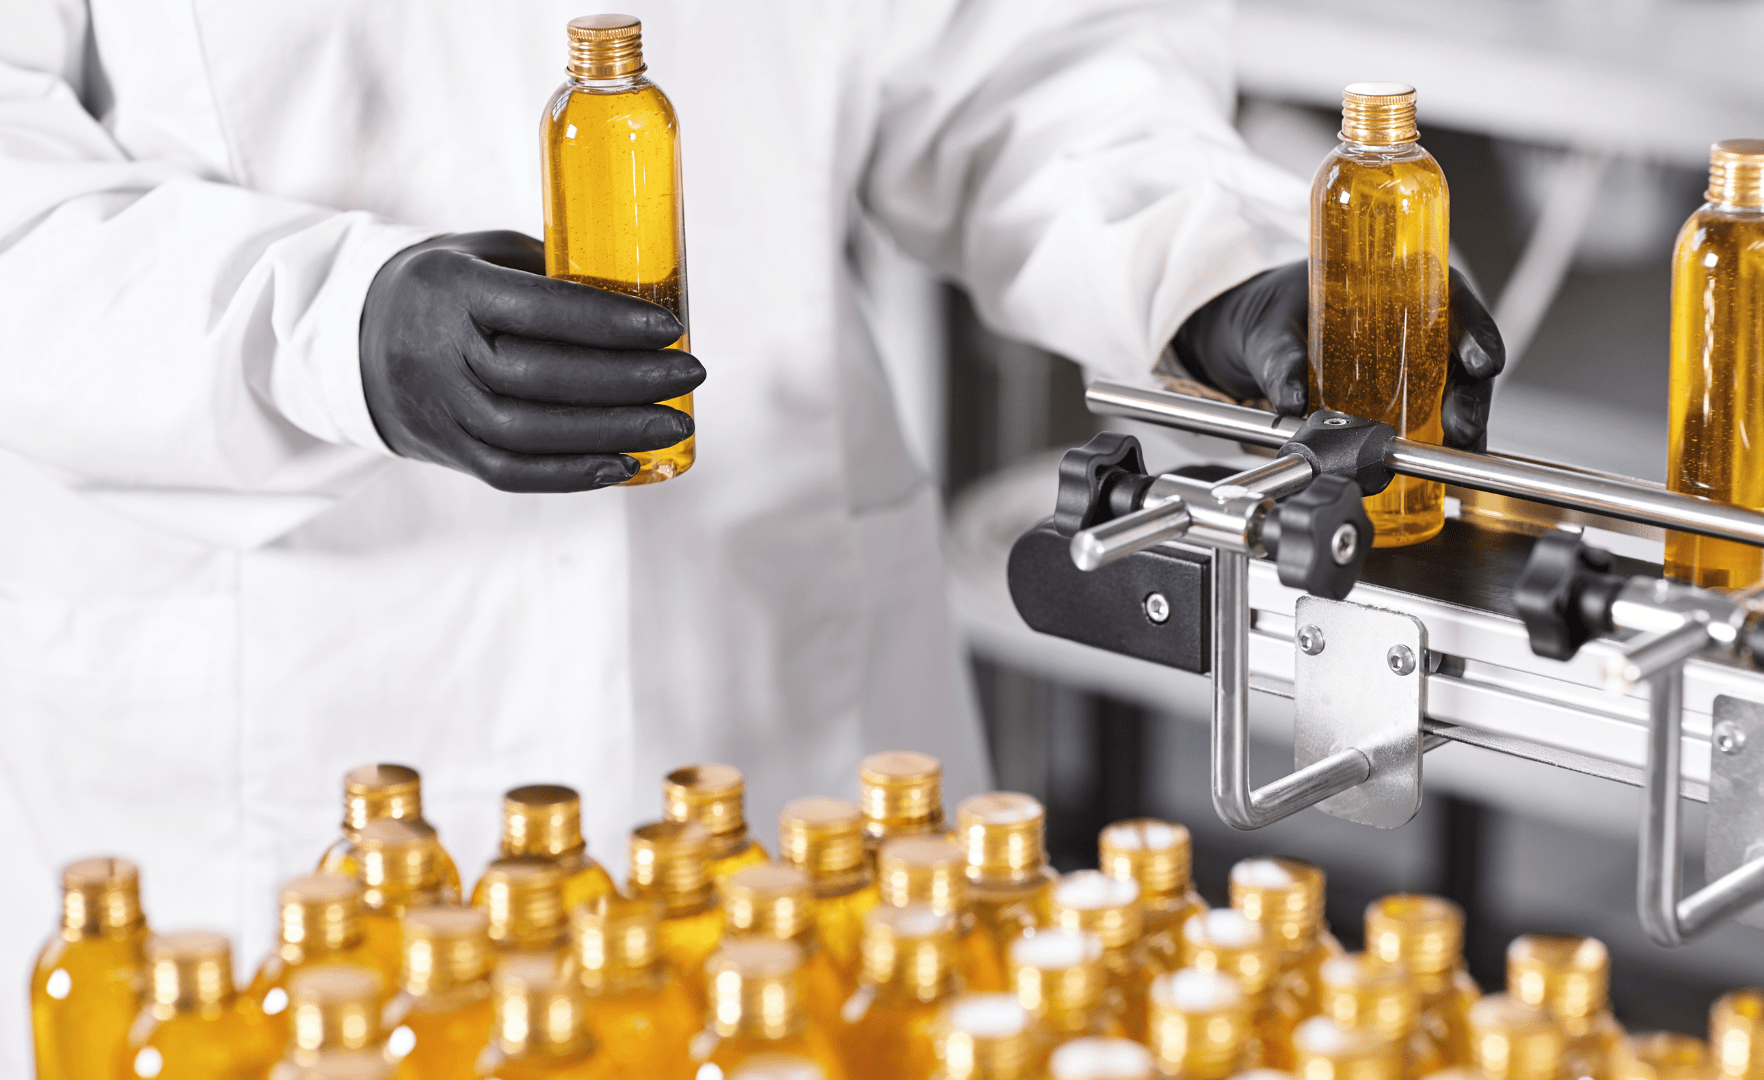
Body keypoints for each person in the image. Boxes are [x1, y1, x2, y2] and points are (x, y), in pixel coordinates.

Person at [0, 0, 1502, 1067]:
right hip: (284, 718)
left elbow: (1014, 59)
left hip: (768, 687)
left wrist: (1212, 262)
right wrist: (333, 331)